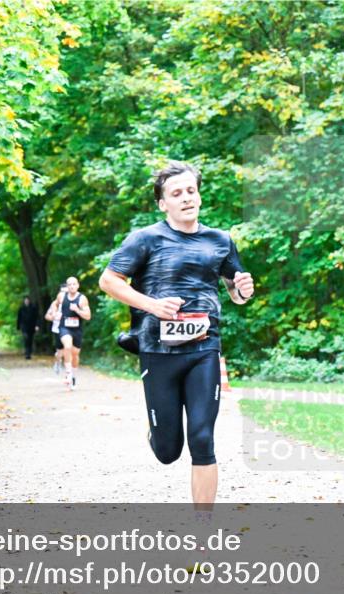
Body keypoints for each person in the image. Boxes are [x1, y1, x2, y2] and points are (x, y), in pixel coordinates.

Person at [99, 161, 254, 506]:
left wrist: (242, 290)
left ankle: (203, 528)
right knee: (168, 451)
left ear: (199, 196)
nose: (186, 198)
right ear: (162, 203)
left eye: (191, 191)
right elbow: (108, 281)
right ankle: (158, 430)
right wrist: (152, 306)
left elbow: (236, 292)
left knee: (202, 438)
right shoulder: (145, 239)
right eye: (177, 193)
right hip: (158, 351)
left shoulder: (220, 240)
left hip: (204, 349)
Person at [58, 277, 91, 390]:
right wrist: (55, 313)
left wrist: (77, 310)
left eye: (74, 284)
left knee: (75, 354)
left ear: (78, 285)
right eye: (69, 284)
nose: (72, 286)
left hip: (77, 330)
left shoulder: (82, 299)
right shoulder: (61, 296)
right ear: (67, 286)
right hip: (64, 327)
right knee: (67, 346)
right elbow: (55, 305)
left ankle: (73, 376)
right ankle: (68, 373)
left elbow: (88, 316)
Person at [44, 286, 66, 374]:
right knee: (60, 350)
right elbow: (47, 316)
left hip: (70, 329)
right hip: (57, 329)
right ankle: (58, 361)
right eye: (62, 292)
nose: (64, 294)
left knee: (68, 347)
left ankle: (68, 368)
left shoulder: (73, 302)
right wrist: (54, 317)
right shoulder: (55, 304)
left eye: (66, 292)